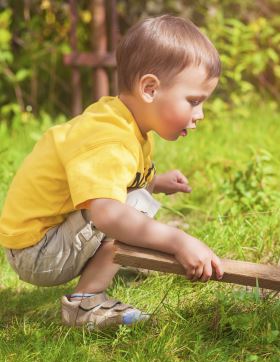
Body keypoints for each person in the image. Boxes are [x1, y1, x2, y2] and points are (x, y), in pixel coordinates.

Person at [0, 15, 223, 328]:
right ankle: (85, 303)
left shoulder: (121, 120)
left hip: (39, 239)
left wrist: (155, 182)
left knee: (139, 197)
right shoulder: (109, 138)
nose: (199, 115)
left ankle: (110, 265)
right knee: (134, 207)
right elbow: (107, 214)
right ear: (149, 89)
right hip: (37, 251)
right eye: (194, 101)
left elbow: (119, 176)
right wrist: (179, 241)